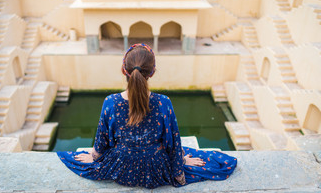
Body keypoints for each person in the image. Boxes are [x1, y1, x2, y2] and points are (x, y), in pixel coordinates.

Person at [57, 43, 237, 189]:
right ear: (151, 72)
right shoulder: (163, 102)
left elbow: (101, 141)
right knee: (216, 162)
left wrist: (95, 157)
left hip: (120, 168)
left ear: (123, 70)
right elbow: (172, 142)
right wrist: (181, 164)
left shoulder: (110, 102)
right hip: (156, 169)